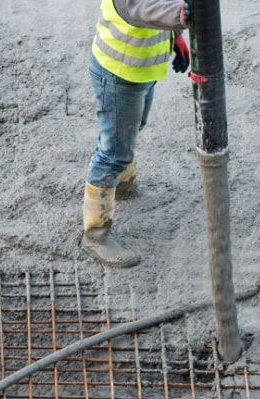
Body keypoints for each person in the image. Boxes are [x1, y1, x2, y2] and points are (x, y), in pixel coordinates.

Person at [83, 0, 191, 268]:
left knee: (131, 130)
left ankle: (123, 186)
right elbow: (137, 7)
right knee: (114, 153)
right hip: (119, 74)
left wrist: (174, 35)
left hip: (140, 70)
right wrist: (178, 15)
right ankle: (95, 235)